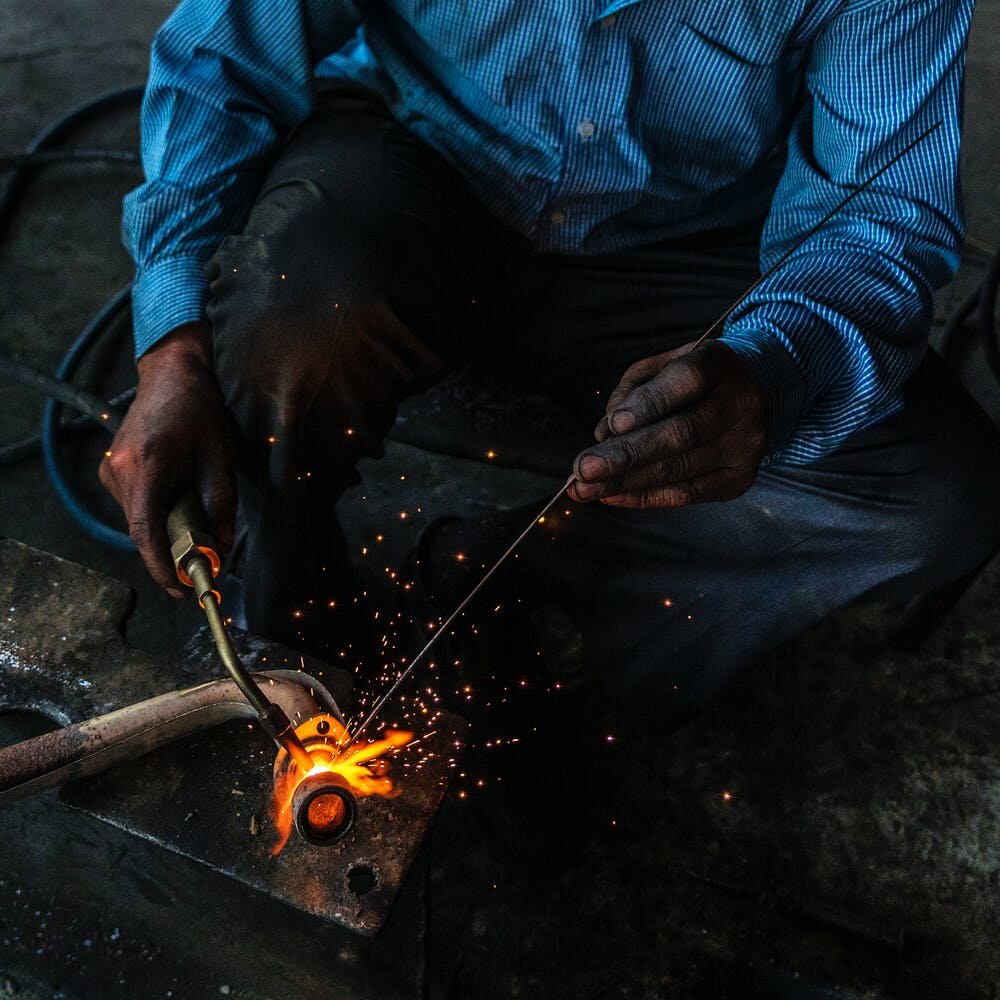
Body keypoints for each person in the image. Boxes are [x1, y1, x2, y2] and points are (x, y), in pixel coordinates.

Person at [101, 0, 1000, 736]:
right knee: (294, 300)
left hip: (679, 242)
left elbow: (880, 205)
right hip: (419, 165)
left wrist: (770, 370)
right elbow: (218, 58)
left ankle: (487, 583)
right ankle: (294, 599)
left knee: (936, 504)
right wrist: (173, 347)